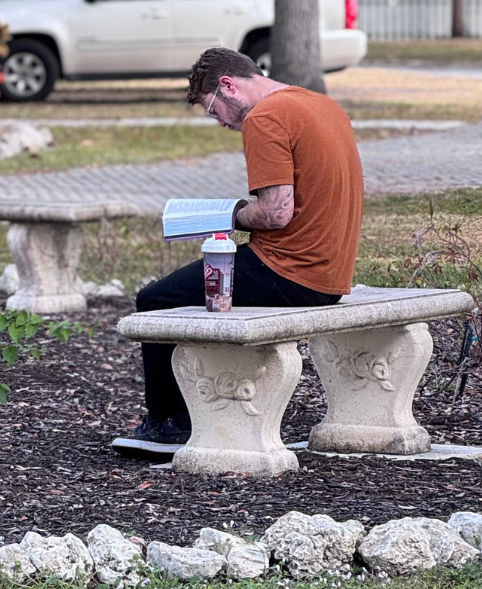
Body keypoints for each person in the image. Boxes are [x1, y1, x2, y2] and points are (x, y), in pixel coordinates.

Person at [131, 46, 364, 444]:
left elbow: (275, 213)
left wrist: (229, 215)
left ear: (228, 85)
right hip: (331, 276)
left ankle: (170, 424)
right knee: (187, 291)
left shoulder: (265, 116)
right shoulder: (322, 105)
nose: (222, 123)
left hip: (288, 272)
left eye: (213, 110)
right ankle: (199, 411)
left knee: (155, 301)